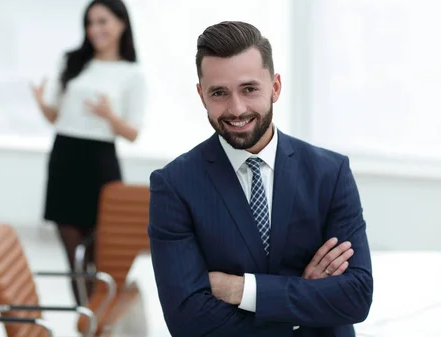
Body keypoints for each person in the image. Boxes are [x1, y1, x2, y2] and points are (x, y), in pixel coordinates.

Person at [148, 21, 373, 337]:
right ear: (201, 95)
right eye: (219, 93)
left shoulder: (329, 173)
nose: (236, 109)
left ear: (276, 87)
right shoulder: (173, 185)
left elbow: (356, 297)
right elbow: (187, 322)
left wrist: (243, 290)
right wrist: (304, 303)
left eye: (249, 89)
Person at [32, 0, 147, 305]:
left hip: (100, 161)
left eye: (102, 21)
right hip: (65, 156)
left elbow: (133, 133)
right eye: (90, 23)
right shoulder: (72, 61)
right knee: (74, 258)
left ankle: (101, 317)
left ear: (121, 23)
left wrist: (110, 115)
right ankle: (86, 320)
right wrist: (42, 105)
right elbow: (56, 117)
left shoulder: (131, 74)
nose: (95, 29)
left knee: (103, 255)